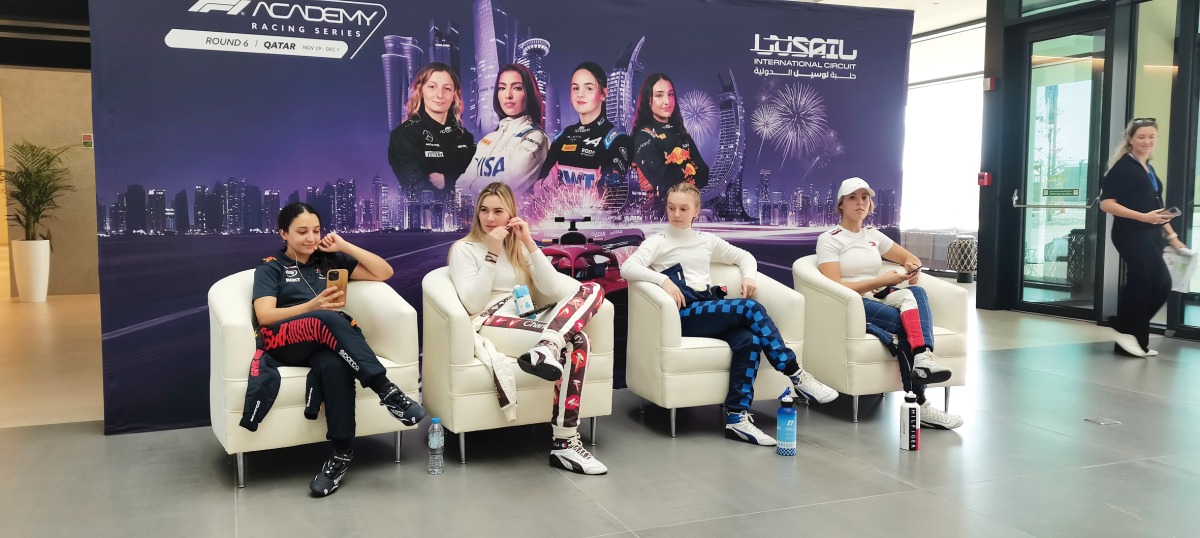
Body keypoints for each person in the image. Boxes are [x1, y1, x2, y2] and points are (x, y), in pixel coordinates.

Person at [620, 182, 837, 446]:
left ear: (696, 211)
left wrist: (748, 276)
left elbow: (744, 256)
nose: (676, 214)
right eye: (671, 208)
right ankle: (796, 374)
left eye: (683, 209)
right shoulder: (658, 242)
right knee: (750, 308)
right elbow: (628, 268)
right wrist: (663, 281)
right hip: (683, 313)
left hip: (708, 307)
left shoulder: (706, 241)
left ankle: (737, 417)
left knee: (750, 340)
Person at [250, 203, 426, 496]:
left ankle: (340, 454)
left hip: (323, 340)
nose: (310, 238)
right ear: (283, 233)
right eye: (302, 231)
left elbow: (384, 271)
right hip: (283, 340)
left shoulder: (328, 260)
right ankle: (388, 392)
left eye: (316, 231)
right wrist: (311, 306)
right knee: (327, 317)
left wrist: (345, 245)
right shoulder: (271, 267)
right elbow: (265, 316)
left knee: (334, 366)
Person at [448, 182, 609, 475]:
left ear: (511, 215)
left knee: (593, 289)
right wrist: (492, 254)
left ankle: (547, 347)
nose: (490, 218)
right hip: (491, 321)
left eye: (498, 211)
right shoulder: (465, 249)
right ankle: (565, 442)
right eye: (484, 210)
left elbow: (554, 287)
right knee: (576, 340)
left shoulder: (520, 248)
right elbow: (472, 302)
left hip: (528, 319)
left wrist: (530, 244)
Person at [814, 177, 961, 430]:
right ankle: (920, 403)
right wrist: (880, 280)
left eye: (865, 198)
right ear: (841, 204)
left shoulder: (873, 235)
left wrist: (912, 267)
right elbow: (834, 287)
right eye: (853, 198)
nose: (860, 203)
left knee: (919, 294)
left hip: (878, 295)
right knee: (907, 324)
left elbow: (908, 257)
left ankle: (923, 357)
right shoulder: (830, 239)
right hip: (852, 302)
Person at [1100, 117, 1187, 356]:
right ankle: (1122, 326)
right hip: (1131, 234)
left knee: (1146, 283)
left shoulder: (1148, 168)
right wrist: (1142, 217)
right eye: (1141, 137)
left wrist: (1172, 236)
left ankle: (1132, 342)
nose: (1147, 141)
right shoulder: (1123, 167)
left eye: (1151, 136)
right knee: (1156, 282)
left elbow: (1158, 207)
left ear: (1157, 138)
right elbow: (1106, 204)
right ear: (1130, 139)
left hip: (1151, 233)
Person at [535, 61, 633, 214]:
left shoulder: (617, 139)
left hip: (597, 226)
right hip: (558, 223)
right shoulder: (562, 136)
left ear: (604, 94)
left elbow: (613, 193)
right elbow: (540, 186)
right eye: (575, 88)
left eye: (588, 88)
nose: (580, 94)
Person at [388, 62, 476, 203]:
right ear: (420, 90)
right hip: (430, 220)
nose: (440, 95)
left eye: (447, 88)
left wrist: (446, 180)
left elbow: (479, 182)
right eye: (432, 87)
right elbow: (418, 190)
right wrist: (460, 179)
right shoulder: (404, 135)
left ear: (454, 94)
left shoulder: (465, 137)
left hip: (468, 218)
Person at [459, 64, 549, 198]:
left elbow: (508, 186)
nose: (508, 95)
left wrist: (471, 192)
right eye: (502, 88)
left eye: (517, 88)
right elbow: (462, 183)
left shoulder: (535, 137)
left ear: (529, 93)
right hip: (474, 215)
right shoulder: (488, 139)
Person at [632, 73, 709, 203]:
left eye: (671, 94)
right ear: (648, 100)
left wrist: (677, 172)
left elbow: (704, 174)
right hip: (657, 214)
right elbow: (663, 180)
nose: (667, 101)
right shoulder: (643, 136)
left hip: (686, 210)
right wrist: (689, 168)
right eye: (659, 95)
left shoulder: (681, 133)